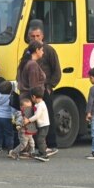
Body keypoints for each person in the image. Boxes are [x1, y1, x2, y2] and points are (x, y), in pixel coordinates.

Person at [21, 24, 62, 154]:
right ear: (28, 37)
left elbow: (57, 72)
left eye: (38, 36)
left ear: (42, 36)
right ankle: (33, 147)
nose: (35, 38)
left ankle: (50, 144)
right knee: (31, 119)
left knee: (45, 118)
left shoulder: (49, 50)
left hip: (44, 91)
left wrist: (49, 87)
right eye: (32, 36)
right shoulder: (27, 53)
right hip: (32, 91)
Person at [0, 80, 16, 155]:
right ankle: (10, 150)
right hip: (7, 118)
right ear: (10, 90)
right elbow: (13, 109)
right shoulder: (10, 98)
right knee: (9, 134)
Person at [28, 88, 51, 162]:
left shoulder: (41, 105)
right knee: (40, 139)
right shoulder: (38, 104)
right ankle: (41, 153)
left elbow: (37, 116)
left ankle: (45, 155)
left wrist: (29, 120)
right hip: (41, 125)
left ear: (34, 97)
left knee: (40, 139)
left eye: (31, 97)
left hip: (44, 125)